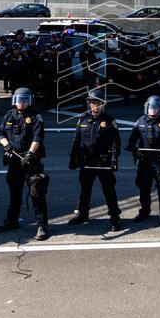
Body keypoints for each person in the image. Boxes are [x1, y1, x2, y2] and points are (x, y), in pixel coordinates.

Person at [0, 87, 50, 240]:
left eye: (25, 100)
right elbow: (0, 134)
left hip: (30, 161)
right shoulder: (9, 115)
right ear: (15, 101)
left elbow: (38, 138)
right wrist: (6, 144)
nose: (22, 103)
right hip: (14, 160)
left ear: (29, 101)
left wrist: (30, 154)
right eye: (19, 100)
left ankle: (42, 225)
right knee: (14, 192)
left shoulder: (35, 117)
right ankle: (12, 220)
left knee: (36, 193)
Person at [68, 90, 123, 231]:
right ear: (89, 104)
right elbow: (76, 140)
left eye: (98, 103)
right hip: (86, 161)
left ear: (103, 104)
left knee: (108, 190)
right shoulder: (83, 119)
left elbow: (116, 142)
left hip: (103, 161)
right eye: (93, 103)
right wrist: (72, 158)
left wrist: (114, 159)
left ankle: (115, 218)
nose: (96, 106)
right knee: (85, 189)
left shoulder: (109, 120)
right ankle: (83, 214)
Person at [127, 95, 160, 229]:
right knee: (144, 188)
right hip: (144, 161)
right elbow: (132, 138)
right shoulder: (140, 121)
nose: (153, 110)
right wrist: (132, 148)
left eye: (156, 108)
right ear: (147, 108)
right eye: (151, 107)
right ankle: (145, 212)